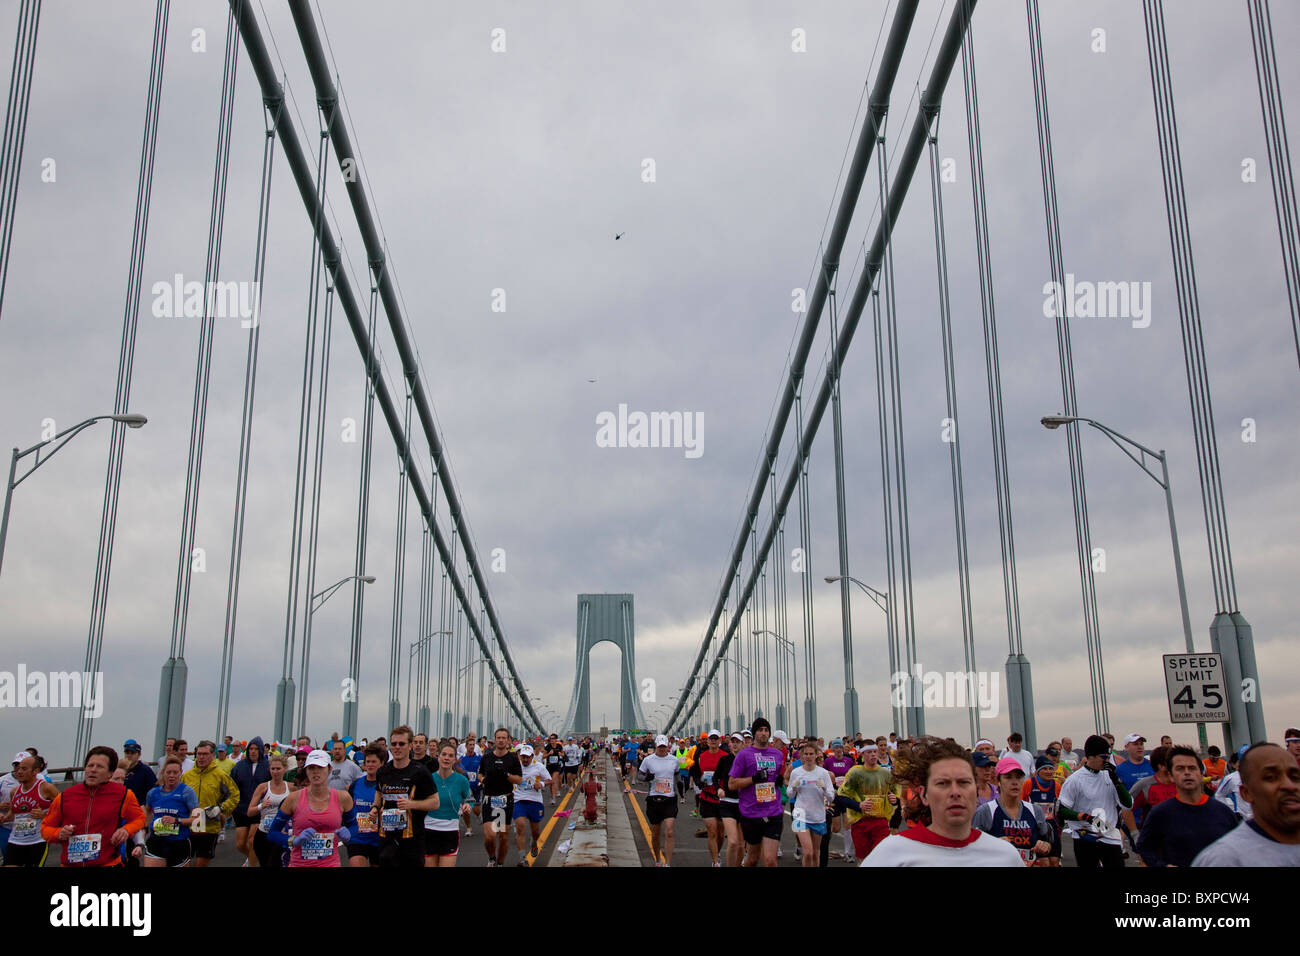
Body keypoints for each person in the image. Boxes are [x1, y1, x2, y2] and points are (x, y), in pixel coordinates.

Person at [861, 737, 1024, 866]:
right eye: (942, 783)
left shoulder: (1006, 855)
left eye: (963, 782)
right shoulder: (892, 852)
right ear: (924, 795)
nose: (955, 792)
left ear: (976, 793)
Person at [1192, 742, 1300, 866]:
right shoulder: (1223, 859)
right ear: (1246, 793)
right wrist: (1232, 811)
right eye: (1271, 777)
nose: (1289, 786)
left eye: (1295, 777)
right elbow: (1219, 795)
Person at [41, 746, 146, 867]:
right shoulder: (65, 796)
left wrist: (126, 830)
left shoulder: (123, 795)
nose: (93, 770)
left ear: (110, 773)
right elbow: (45, 829)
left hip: (108, 864)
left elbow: (139, 819)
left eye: (100, 767)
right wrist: (58, 833)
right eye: (90, 766)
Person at [1136, 746, 1239, 867]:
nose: (1187, 772)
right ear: (1171, 776)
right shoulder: (1160, 813)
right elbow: (1143, 847)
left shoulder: (1222, 811)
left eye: (1192, 768)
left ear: (1201, 775)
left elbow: (1239, 846)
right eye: (1180, 769)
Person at [267, 750, 356, 867]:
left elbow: (354, 826)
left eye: (320, 767)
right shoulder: (293, 799)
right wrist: (293, 840)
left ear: (329, 770)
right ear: (306, 771)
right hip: (299, 864)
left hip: (330, 864)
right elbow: (272, 833)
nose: (315, 772)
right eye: (311, 768)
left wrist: (349, 834)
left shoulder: (342, 797)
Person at [1057, 734, 1133, 868]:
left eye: (1109, 758)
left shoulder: (1109, 776)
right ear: (1091, 756)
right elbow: (1061, 811)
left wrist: (1116, 781)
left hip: (1109, 835)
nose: (1107, 761)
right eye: (1104, 758)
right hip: (1084, 836)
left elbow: (1128, 804)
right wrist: (1082, 816)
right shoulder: (1075, 780)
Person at [374, 725, 438, 867]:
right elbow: (379, 793)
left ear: (410, 746)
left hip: (412, 839)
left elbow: (435, 803)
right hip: (387, 838)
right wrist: (374, 807)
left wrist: (412, 804)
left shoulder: (420, 772)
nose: (397, 747)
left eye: (401, 744)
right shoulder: (383, 771)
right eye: (394, 744)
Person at [726, 717, 786, 867]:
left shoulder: (778, 755)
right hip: (751, 813)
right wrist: (754, 779)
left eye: (766, 730)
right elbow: (732, 784)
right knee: (753, 858)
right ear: (754, 734)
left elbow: (779, 776)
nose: (764, 733)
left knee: (771, 860)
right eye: (760, 730)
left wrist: (779, 780)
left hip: (773, 812)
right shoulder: (744, 755)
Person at [972, 757, 1052, 864]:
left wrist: (1045, 846)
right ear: (998, 781)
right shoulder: (986, 811)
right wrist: (993, 844)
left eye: (1018, 777)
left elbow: (1047, 844)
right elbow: (972, 848)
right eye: (1008, 777)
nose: (1014, 782)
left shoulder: (1035, 810)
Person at [133, 756, 199, 868]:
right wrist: (142, 835)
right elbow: (147, 813)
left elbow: (198, 820)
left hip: (179, 842)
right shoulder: (153, 793)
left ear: (181, 773)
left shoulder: (187, 792)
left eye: (175, 772)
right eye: (168, 772)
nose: (172, 776)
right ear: (163, 773)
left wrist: (176, 821)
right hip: (156, 841)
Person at [182, 741, 239, 867]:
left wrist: (221, 808)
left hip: (208, 827)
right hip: (188, 827)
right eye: (199, 754)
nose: (201, 757)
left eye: (205, 754)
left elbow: (235, 795)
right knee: (183, 863)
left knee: (200, 864)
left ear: (213, 755)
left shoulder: (220, 775)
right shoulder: (187, 776)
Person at [836, 742, 897, 862]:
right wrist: (859, 805)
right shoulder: (855, 773)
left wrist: (894, 799)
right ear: (862, 754)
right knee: (863, 859)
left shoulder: (885, 773)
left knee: (880, 858)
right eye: (869, 752)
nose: (873, 755)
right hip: (860, 822)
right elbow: (841, 797)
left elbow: (895, 794)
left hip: (881, 822)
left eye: (875, 752)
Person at [0, 753, 58, 866]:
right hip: (15, 841)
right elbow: (13, 815)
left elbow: (64, 809)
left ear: (35, 771)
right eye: (18, 768)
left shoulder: (46, 788)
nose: (19, 772)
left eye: (24, 769)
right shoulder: (14, 792)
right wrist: (3, 818)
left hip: (37, 841)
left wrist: (44, 815)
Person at [479, 727, 523, 866]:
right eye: (499, 737)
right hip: (489, 799)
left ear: (508, 740)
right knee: (490, 836)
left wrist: (507, 775)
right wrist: (483, 780)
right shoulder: (487, 757)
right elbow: (480, 774)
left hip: (505, 800)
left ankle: (500, 863)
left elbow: (519, 780)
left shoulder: (513, 759)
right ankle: (492, 857)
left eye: (504, 738)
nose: (501, 740)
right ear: (495, 739)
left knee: (503, 837)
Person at [427, 742, 474, 867]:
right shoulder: (428, 779)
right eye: (444, 754)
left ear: (455, 759)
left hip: (450, 830)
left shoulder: (462, 780)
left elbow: (470, 799)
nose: (447, 758)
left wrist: (468, 806)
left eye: (450, 755)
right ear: (438, 757)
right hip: (429, 830)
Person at [788, 741, 835, 868]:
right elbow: (790, 795)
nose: (808, 756)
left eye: (811, 754)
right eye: (806, 754)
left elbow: (831, 797)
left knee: (815, 853)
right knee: (807, 853)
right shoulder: (796, 772)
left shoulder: (823, 773)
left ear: (816, 756)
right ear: (802, 756)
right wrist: (794, 787)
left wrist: (824, 788)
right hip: (800, 814)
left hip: (818, 816)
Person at [639, 735, 680, 867]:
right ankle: (657, 860)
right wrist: (646, 778)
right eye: (660, 746)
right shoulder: (648, 760)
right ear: (656, 746)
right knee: (655, 833)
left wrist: (681, 790)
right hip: (654, 799)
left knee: (669, 831)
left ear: (667, 746)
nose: (662, 749)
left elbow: (677, 775)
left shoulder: (674, 760)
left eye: (664, 746)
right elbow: (640, 775)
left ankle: (667, 863)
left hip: (669, 799)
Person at [688, 730, 727, 867]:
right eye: (711, 738)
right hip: (707, 797)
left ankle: (717, 852)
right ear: (708, 740)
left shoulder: (726, 756)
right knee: (711, 831)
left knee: (721, 834)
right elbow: (696, 772)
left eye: (716, 738)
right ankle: (715, 861)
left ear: (719, 741)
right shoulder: (701, 756)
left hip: (722, 799)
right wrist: (698, 781)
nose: (713, 741)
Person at [230, 735, 269, 867]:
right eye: (250, 749)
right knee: (240, 844)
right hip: (241, 809)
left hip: (259, 810)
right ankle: (252, 859)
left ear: (261, 751)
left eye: (256, 749)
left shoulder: (267, 766)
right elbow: (231, 787)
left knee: (252, 841)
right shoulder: (239, 766)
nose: (253, 751)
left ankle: (252, 864)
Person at [343, 745, 384, 867]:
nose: (370, 765)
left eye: (374, 762)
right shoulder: (356, 784)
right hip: (358, 837)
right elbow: (347, 808)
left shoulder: (386, 785)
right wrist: (347, 829)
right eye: (368, 762)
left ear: (381, 763)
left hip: (378, 839)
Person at [249, 753, 292, 867]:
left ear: (285, 769)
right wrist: (261, 806)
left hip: (281, 835)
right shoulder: (263, 787)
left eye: (278, 768)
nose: (275, 771)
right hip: (263, 834)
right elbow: (250, 812)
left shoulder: (291, 787)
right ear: (269, 770)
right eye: (273, 769)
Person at [512, 744, 552, 866]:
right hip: (519, 800)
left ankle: (534, 842)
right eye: (523, 756)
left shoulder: (538, 767)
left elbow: (550, 780)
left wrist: (541, 784)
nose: (524, 759)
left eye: (527, 757)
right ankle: (522, 858)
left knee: (535, 831)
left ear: (532, 757)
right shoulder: (514, 766)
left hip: (535, 802)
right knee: (520, 826)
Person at [1022, 755, 1063, 866]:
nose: (1048, 771)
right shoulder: (1029, 784)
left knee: (1054, 862)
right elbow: (1020, 804)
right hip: (1036, 829)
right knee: (1044, 863)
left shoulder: (1057, 786)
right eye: (1045, 769)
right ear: (1038, 771)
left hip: (1052, 829)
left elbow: (1060, 808)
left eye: (1050, 768)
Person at [713, 733, 745, 867]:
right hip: (727, 803)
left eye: (738, 741)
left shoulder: (748, 760)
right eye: (733, 741)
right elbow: (715, 778)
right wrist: (718, 789)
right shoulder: (724, 760)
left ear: (743, 744)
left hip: (744, 804)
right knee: (733, 842)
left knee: (741, 845)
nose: (735, 744)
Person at [823, 739, 857, 862]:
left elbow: (854, 775)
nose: (838, 750)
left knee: (848, 825)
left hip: (846, 795)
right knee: (836, 827)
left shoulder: (848, 760)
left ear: (842, 749)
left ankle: (847, 853)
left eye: (840, 747)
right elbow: (823, 776)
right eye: (836, 747)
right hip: (834, 797)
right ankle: (825, 848)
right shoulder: (828, 761)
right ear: (833, 749)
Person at [119, 739, 157, 808]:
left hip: (138, 808)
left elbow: (154, 792)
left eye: (132, 753)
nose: (129, 755)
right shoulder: (119, 770)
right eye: (127, 753)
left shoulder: (146, 771)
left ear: (139, 754)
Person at [459, 736, 483, 834]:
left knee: (476, 809)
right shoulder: (461, 759)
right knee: (466, 808)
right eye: (470, 745)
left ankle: (479, 816)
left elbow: (483, 770)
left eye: (473, 745)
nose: (472, 747)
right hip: (466, 787)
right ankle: (469, 828)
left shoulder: (479, 758)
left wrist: (481, 780)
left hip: (476, 786)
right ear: (466, 746)